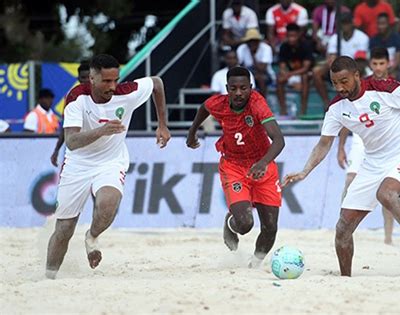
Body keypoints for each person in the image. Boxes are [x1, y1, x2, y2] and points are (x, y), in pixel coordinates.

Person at [282, 56, 400, 276]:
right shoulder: (336, 108)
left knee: (386, 194)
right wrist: (305, 170)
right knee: (343, 228)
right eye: (335, 83)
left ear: (357, 75)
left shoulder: (383, 88)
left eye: (344, 81)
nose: (340, 87)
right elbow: (324, 143)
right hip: (372, 163)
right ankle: (345, 278)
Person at [45, 54, 171, 279]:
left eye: (116, 80)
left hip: (111, 161)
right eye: (106, 81)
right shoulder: (76, 98)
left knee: (108, 203)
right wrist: (101, 131)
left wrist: (162, 124)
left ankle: (92, 238)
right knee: (64, 230)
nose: (113, 86)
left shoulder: (127, 92)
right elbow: (72, 142)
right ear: (91, 79)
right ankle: (49, 276)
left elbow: (157, 83)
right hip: (78, 164)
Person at [186, 66, 285, 268]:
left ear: (251, 88)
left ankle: (254, 264)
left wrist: (263, 162)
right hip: (234, 166)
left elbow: (279, 140)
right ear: (227, 88)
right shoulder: (219, 103)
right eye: (233, 88)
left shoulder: (258, 105)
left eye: (243, 88)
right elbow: (204, 107)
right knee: (245, 224)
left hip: (262, 166)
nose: (238, 93)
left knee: (270, 227)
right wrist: (192, 132)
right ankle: (230, 223)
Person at [337, 47, 400, 245]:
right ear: (370, 65)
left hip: (390, 142)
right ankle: (345, 226)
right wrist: (340, 148)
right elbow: (346, 117)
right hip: (361, 140)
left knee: (387, 191)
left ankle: (388, 235)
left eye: (382, 63)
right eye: (375, 63)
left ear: (388, 63)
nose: (379, 67)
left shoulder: (395, 86)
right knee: (349, 181)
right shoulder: (359, 85)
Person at [312, 12, 369, 109]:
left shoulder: (362, 37)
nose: (345, 26)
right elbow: (331, 59)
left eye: (347, 23)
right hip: (339, 68)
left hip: (355, 68)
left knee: (357, 72)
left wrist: (346, 71)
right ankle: (327, 103)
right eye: (342, 23)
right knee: (316, 72)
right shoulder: (335, 38)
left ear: (352, 23)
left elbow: (361, 61)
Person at [50, 61, 91, 166]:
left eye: (89, 77)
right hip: (76, 150)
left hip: (96, 148)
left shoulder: (103, 96)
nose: (86, 81)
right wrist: (56, 150)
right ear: (78, 79)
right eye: (83, 78)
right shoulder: (71, 97)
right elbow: (66, 126)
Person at [277, 23, 313, 117]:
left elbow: (305, 68)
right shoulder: (284, 47)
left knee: (305, 77)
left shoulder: (306, 46)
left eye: (293, 36)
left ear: (298, 35)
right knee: (279, 79)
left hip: (306, 74)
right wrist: (284, 73)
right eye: (289, 36)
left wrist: (289, 75)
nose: (291, 39)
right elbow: (282, 65)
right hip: (291, 75)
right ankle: (283, 110)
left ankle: (303, 111)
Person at [236, 29, 274, 97]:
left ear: (258, 41)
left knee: (261, 78)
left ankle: (262, 101)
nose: (252, 43)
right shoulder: (241, 48)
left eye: (254, 41)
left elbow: (262, 69)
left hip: (265, 73)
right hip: (247, 71)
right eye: (250, 41)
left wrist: (253, 55)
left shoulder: (266, 48)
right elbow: (238, 65)